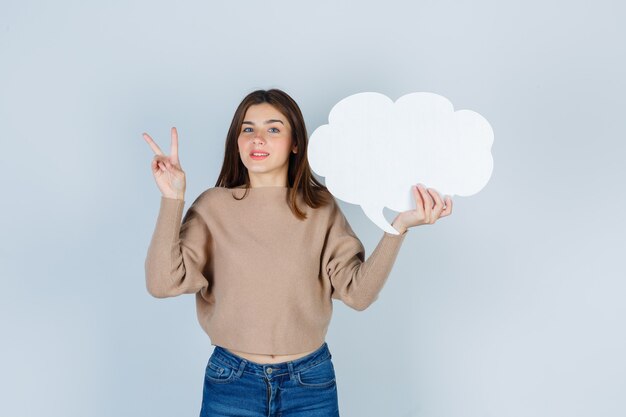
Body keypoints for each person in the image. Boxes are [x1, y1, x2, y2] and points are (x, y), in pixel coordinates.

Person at [142, 88, 453, 416]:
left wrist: (398, 227)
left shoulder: (320, 209)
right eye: (247, 129)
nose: (257, 138)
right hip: (232, 382)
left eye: (273, 128)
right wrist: (172, 198)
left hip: (309, 383)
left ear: (295, 144)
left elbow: (358, 295)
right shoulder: (212, 207)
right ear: (237, 141)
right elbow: (161, 283)